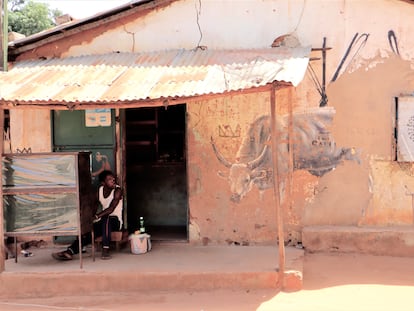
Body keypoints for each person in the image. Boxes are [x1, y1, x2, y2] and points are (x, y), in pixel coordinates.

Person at [52, 170, 123, 260]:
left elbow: (111, 209)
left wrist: (97, 216)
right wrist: (90, 220)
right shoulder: (100, 191)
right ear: (103, 183)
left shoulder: (118, 190)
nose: (113, 180)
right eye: (109, 179)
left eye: (113, 178)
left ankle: (105, 250)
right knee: (88, 232)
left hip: (115, 221)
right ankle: (70, 251)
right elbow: (94, 206)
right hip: (104, 222)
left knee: (106, 218)